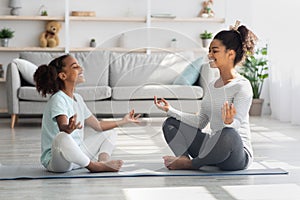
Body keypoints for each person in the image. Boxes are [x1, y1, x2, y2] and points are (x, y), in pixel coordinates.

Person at [154, 21, 257, 171]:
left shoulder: (242, 86)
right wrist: (170, 110)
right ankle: (183, 159)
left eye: (214, 51)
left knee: (227, 133)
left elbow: (237, 124)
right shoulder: (212, 85)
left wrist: (229, 122)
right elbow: (200, 122)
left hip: (235, 154)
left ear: (230, 54)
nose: (209, 55)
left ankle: (191, 164)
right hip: (213, 150)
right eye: (209, 50)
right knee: (171, 123)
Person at [34, 54, 140, 173]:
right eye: (75, 67)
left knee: (110, 132)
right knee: (62, 137)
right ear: (63, 75)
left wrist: (124, 121)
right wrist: (68, 128)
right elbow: (62, 127)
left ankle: (103, 162)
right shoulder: (58, 99)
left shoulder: (78, 98)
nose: (81, 69)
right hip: (58, 162)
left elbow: (98, 126)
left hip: (77, 157)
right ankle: (94, 166)